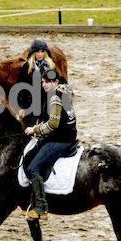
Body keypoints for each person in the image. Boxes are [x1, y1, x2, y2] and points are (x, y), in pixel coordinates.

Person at [23, 69, 77, 220]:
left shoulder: (54, 97)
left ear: (56, 83)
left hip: (61, 139)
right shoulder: (65, 92)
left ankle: (40, 208)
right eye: (42, 82)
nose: (44, 85)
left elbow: (53, 124)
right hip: (69, 135)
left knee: (33, 168)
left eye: (47, 82)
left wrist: (34, 129)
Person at [17, 39, 56, 127]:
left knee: (45, 128)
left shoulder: (51, 66)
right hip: (30, 102)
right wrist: (21, 107)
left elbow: (54, 86)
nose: (40, 54)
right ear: (33, 52)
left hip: (46, 102)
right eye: (37, 52)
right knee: (29, 129)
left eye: (42, 51)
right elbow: (21, 87)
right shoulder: (26, 66)